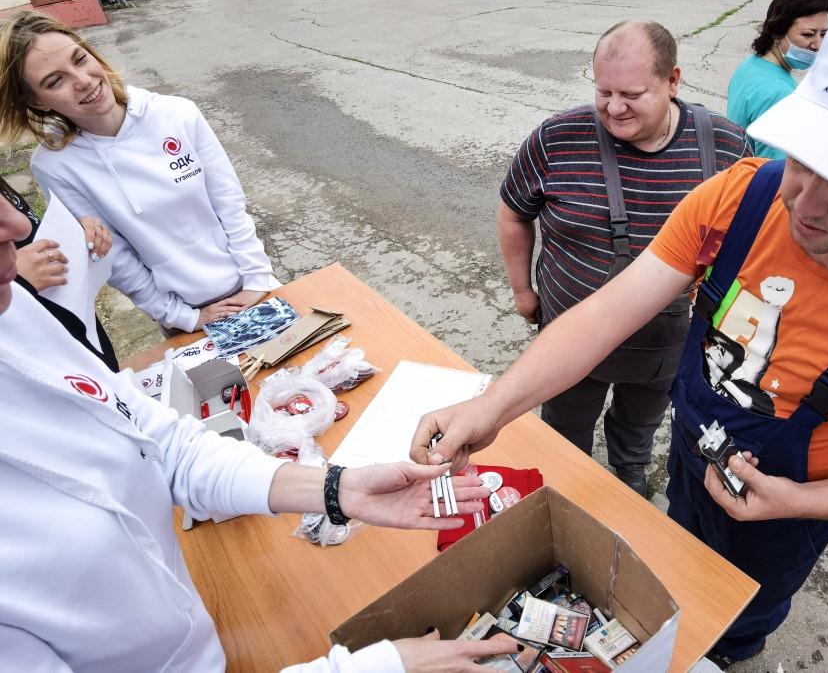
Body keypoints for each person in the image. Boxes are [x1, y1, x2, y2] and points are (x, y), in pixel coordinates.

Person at [414, 4, 828, 666]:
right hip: (694, 447)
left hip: (790, 512)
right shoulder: (742, 196)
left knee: (730, 625)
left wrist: (801, 499)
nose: (805, 201)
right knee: (672, 561)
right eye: (804, 157)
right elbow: (606, 312)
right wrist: (492, 405)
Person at [0, 199, 518, 671]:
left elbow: (165, 446)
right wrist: (377, 667)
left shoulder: (16, 315)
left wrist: (336, 489)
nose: (18, 224)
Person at [498, 20, 750, 495]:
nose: (615, 108)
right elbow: (514, 212)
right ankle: (565, 485)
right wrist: (522, 290)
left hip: (667, 347)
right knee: (564, 428)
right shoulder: (557, 139)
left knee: (640, 424)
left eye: (632, 94)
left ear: (673, 81)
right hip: (568, 343)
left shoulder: (727, 146)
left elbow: (747, 239)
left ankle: (629, 473)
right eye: (604, 92)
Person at [0, 11, 277, 334]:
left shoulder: (176, 113)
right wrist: (181, 317)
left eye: (80, 59)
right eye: (55, 81)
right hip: (188, 318)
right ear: (36, 102)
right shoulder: (54, 165)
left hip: (254, 286)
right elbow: (113, 257)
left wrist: (256, 280)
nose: (84, 81)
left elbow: (229, 202)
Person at [5, 175, 120, 370]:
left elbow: (29, 235)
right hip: (34, 360)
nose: (20, 225)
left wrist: (71, 232)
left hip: (74, 324)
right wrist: (15, 281)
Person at [726, 0, 828, 159]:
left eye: (823, 34)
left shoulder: (751, 65)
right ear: (778, 32)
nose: (817, 44)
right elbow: (776, 167)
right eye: (808, 34)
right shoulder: (778, 94)